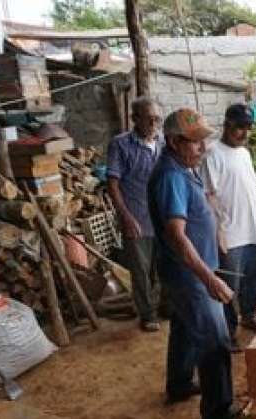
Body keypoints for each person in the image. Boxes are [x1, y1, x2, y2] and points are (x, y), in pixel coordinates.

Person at [147, 108, 237, 418]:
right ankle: (219, 409)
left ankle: (179, 384)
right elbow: (177, 236)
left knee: (185, 329)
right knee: (215, 341)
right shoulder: (171, 176)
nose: (202, 148)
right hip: (190, 275)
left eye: (203, 141)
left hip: (188, 271)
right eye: (195, 142)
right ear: (173, 141)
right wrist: (209, 279)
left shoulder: (184, 167)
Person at [201, 104, 256, 349]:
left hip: (251, 232)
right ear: (227, 124)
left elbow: (253, 191)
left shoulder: (244, 154)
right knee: (229, 287)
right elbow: (209, 196)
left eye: (248, 128)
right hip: (230, 233)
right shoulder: (211, 154)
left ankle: (248, 316)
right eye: (240, 128)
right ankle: (227, 333)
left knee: (253, 279)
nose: (245, 134)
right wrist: (218, 232)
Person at [107, 97, 164, 332]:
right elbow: (112, 184)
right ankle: (148, 314)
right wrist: (126, 217)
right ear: (135, 119)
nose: (153, 123)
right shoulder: (121, 144)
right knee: (140, 270)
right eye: (148, 118)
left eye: (157, 118)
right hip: (137, 218)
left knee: (161, 268)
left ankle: (161, 306)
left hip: (162, 218)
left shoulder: (162, 143)